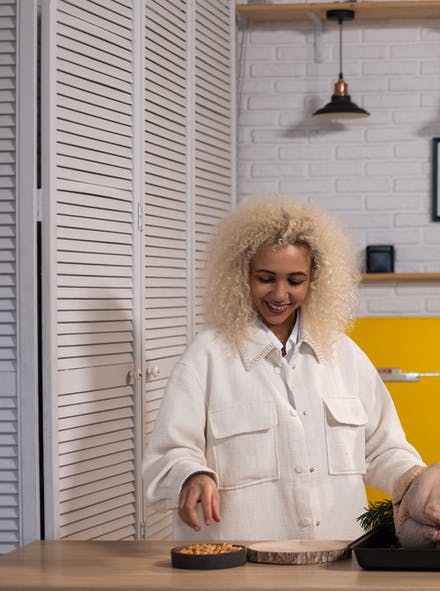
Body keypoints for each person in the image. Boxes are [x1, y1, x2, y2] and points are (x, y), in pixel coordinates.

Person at [143, 194, 424, 540]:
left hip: (337, 562)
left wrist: (416, 480)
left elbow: (384, 448)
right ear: (241, 275)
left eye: (295, 280)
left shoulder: (344, 355)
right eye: (265, 278)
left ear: (314, 279)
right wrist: (191, 475)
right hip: (239, 568)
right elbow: (166, 457)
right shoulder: (207, 357)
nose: (279, 294)